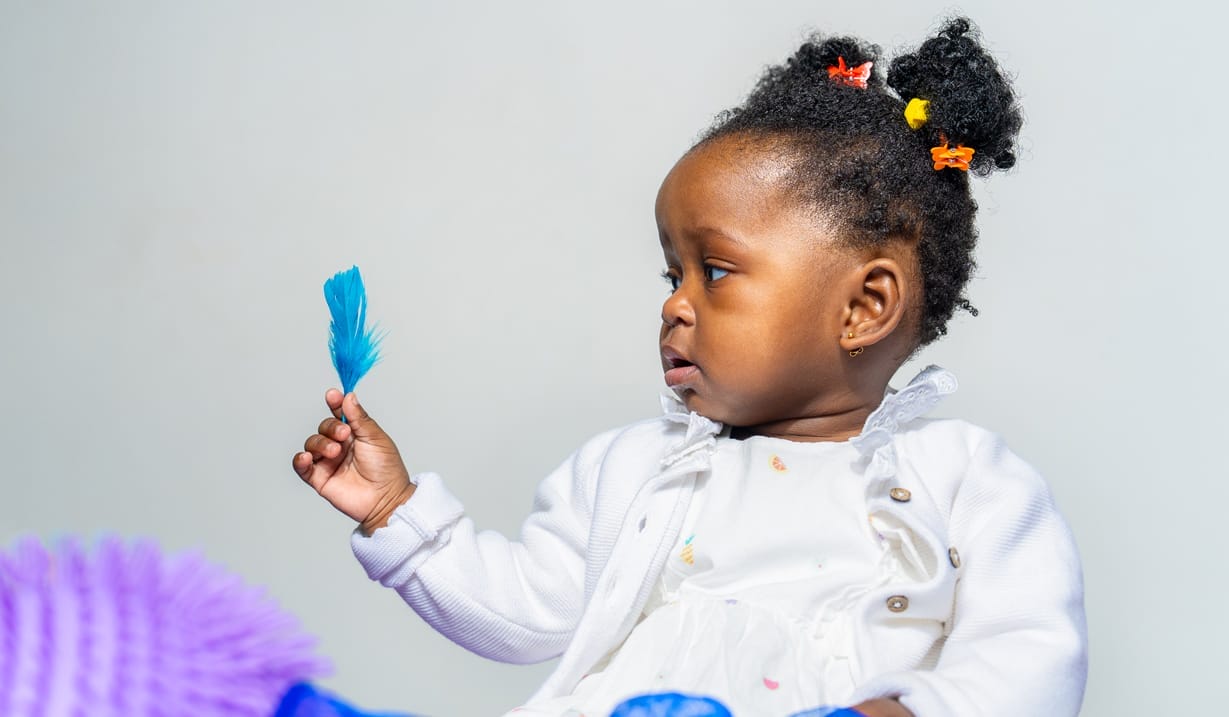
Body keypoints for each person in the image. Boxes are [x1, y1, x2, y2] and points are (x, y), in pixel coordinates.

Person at [292, 17, 1087, 717]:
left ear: (862, 307)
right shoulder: (633, 468)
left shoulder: (967, 481)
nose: (675, 305)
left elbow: (1028, 656)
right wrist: (393, 510)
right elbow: (525, 614)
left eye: (715, 271)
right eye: (671, 275)